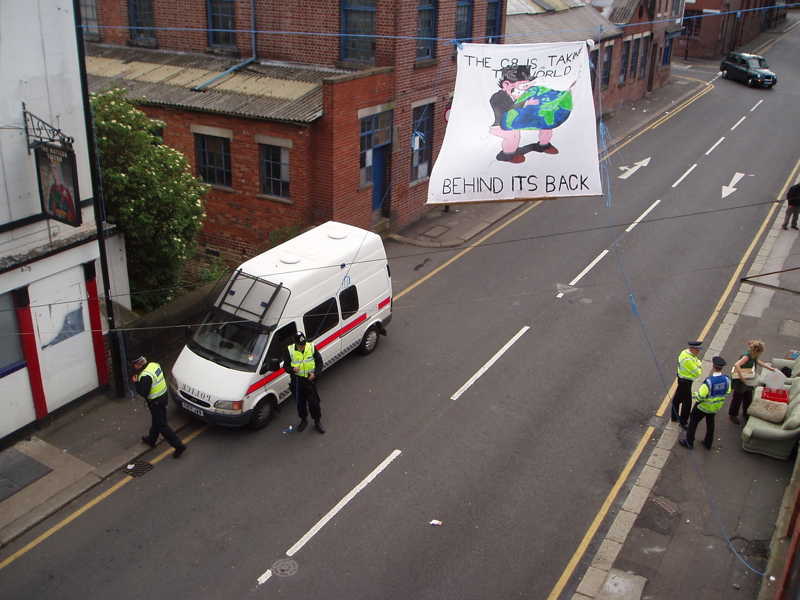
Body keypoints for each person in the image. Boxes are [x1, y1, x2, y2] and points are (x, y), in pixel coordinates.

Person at [133, 355, 187, 458]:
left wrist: (136, 383)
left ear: (139, 364)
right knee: (157, 420)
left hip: (156, 402)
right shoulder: (154, 365)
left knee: (162, 425)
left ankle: (179, 445)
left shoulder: (145, 376)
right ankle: (152, 439)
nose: (134, 367)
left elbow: (143, 392)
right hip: (163, 397)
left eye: (134, 365)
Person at [679, 356, 731, 451]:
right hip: (715, 407)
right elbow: (727, 392)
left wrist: (695, 394)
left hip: (703, 406)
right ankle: (708, 442)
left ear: (713, 366)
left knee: (693, 421)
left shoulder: (709, 381)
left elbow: (701, 396)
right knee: (710, 422)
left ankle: (689, 441)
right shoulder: (727, 380)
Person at [284, 332, 325, 434]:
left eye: (303, 344)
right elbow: (286, 366)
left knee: (314, 402)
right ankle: (303, 420)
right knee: (300, 403)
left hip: (309, 380)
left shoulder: (311, 347)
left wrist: (315, 374)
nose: (302, 346)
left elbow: (319, 362)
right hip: (297, 380)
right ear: (295, 343)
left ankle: (317, 421)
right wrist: (292, 369)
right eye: (300, 345)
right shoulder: (290, 350)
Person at [728, 340, 775, 424]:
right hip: (741, 379)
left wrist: (769, 368)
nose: (759, 355)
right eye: (759, 353)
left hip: (748, 377)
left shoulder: (754, 356)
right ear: (755, 351)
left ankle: (745, 412)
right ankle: (733, 414)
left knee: (748, 396)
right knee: (737, 398)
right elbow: (737, 365)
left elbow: (758, 361)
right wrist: (742, 377)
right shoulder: (746, 357)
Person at [670, 341, 703, 429]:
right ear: (692, 349)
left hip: (682, 380)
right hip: (686, 382)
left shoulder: (685, 353)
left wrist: (698, 364)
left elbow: (697, 361)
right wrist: (699, 366)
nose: (698, 352)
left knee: (677, 399)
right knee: (687, 403)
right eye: (697, 350)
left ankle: (674, 417)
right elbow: (697, 372)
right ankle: (683, 422)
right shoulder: (688, 360)